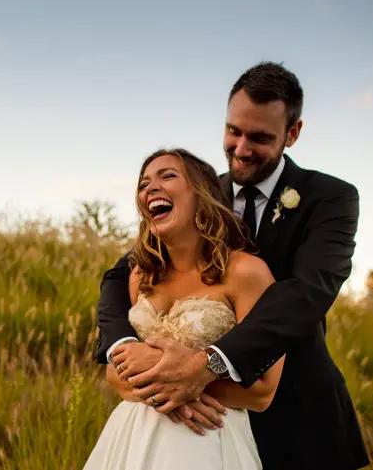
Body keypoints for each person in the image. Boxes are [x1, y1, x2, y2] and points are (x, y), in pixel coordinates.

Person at [93, 62, 370, 470]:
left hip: (295, 412)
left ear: (292, 133)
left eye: (259, 137)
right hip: (191, 428)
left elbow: (305, 294)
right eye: (233, 131)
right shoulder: (198, 192)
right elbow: (119, 276)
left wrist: (203, 366)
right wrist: (124, 346)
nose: (241, 149)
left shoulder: (330, 198)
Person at [83, 147, 281, 470]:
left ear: (200, 193)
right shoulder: (140, 276)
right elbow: (113, 374)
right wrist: (166, 391)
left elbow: (262, 392)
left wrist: (188, 382)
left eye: (168, 176)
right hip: (130, 439)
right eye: (143, 184)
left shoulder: (247, 273)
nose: (150, 188)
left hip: (207, 442)